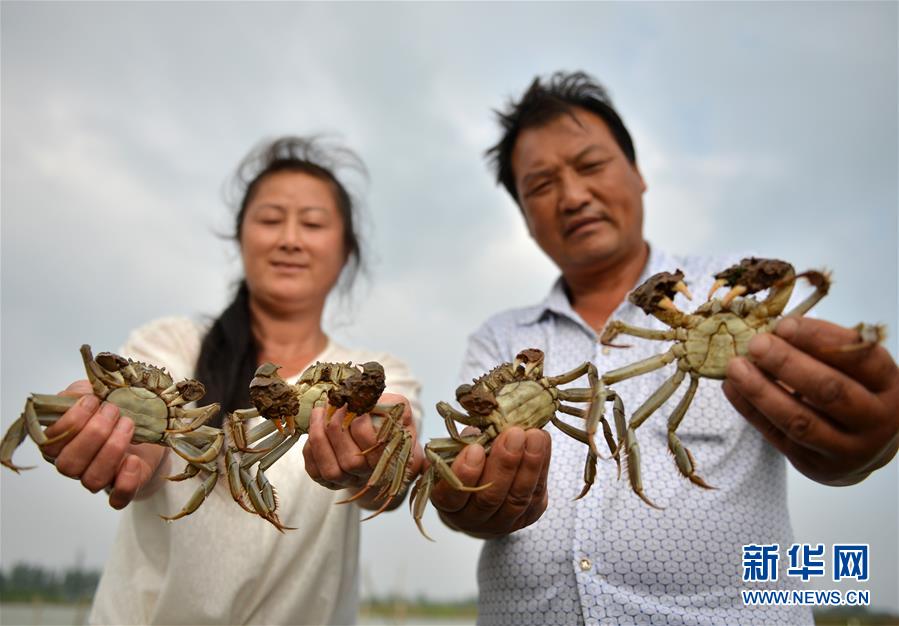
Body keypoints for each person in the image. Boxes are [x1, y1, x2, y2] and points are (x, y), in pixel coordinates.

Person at [430, 71, 899, 625]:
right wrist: (466, 503)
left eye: (591, 165)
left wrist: (867, 440)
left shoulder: (729, 293)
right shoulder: (501, 339)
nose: (574, 195)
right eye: (540, 184)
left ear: (638, 174)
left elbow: (831, 407)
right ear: (526, 219)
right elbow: (463, 471)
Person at [36, 136, 424, 625]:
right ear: (240, 237)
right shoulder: (171, 346)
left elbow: (394, 457)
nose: (289, 238)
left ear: (346, 250)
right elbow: (152, 448)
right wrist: (116, 440)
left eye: (313, 223)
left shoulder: (383, 368)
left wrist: (380, 461)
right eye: (269, 219)